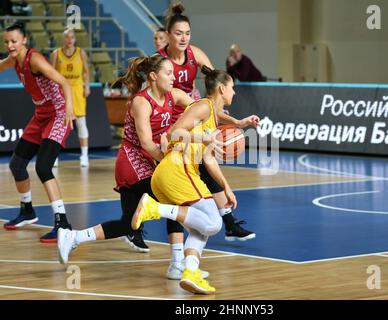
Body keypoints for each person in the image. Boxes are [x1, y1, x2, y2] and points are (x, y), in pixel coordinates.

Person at [58, 55, 210, 266]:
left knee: (129, 224)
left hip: (150, 160)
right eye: (168, 73)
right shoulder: (141, 102)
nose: (173, 77)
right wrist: (167, 161)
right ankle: (177, 263)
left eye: (173, 73)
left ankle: (73, 237)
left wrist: (225, 122)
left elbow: (201, 108)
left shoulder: (173, 95)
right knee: (173, 198)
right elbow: (147, 144)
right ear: (154, 76)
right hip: (132, 161)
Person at [158, 3, 259, 281]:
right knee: (181, 194)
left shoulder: (196, 55)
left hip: (194, 123)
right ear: (167, 35)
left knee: (203, 178)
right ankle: (179, 256)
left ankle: (188, 258)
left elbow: (218, 84)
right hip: (174, 128)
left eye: (187, 33)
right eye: (178, 33)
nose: (183, 38)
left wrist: (234, 121)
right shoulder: (161, 62)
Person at [131, 67, 237, 295]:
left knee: (201, 229)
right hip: (177, 170)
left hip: (172, 174)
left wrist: (227, 188)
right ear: (222, 89)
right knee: (214, 223)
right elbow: (174, 132)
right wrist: (203, 137)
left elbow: (208, 159)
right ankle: (154, 208)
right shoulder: (203, 106)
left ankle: (190, 272)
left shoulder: (211, 118)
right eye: (232, 88)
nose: (234, 93)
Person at [0, 22, 75, 242]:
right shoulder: (13, 60)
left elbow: (64, 82)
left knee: (43, 166)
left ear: (24, 40)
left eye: (14, 41)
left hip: (58, 113)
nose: (10, 45)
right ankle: (27, 211)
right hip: (41, 114)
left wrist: (69, 109)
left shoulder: (35, 59)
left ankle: (63, 223)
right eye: (6, 42)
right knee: (17, 164)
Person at [51, 28, 91, 167]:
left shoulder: (81, 53)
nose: (69, 40)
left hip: (77, 90)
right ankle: (54, 156)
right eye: (67, 37)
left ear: (75, 39)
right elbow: (51, 74)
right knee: (59, 126)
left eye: (72, 37)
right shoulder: (56, 53)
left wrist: (87, 86)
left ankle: (84, 156)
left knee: (81, 124)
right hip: (62, 92)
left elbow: (86, 71)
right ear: (63, 39)